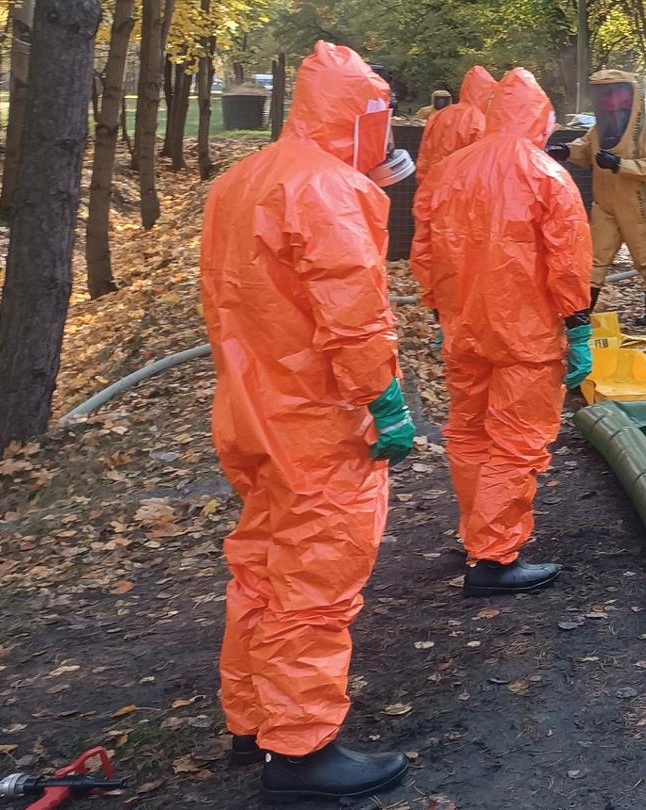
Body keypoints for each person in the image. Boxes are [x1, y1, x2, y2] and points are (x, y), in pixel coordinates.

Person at [200, 41, 415, 801]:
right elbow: (352, 315)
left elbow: (227, 297)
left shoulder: (241, 180)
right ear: (362, 116)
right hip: (319, 418)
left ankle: (252, 722)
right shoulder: (326, 190)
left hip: (252, 410)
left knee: (259, 564)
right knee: (315, 579)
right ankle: (300, 752)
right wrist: (384, 400)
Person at [411, 68, 593, 596]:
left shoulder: (447, 173)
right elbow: (567, 261)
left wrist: (443, 307)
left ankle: (477, 537)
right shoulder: (546, 176)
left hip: (463, 327)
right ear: (542, 118)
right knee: (517, 442)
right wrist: (577, 323)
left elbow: (423, 256)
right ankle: (492, 558)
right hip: (526, 336)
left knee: (469, 434)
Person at [549, 70, 646, 326]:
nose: (610, 100)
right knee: (595, 258)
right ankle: (585, 309)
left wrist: (620, 164)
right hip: (605, 204)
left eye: (615, 92)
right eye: (604, 93)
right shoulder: (599, 130)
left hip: (638, 204)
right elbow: (584, 150)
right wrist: (564, 151)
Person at [416, 67, 497, 182]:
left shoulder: (440, 114)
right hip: (458, 184)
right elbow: (480, 161)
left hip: (433, 179)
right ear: (486, 93)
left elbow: (426, 150)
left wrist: (422, 179)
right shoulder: (479, 121)